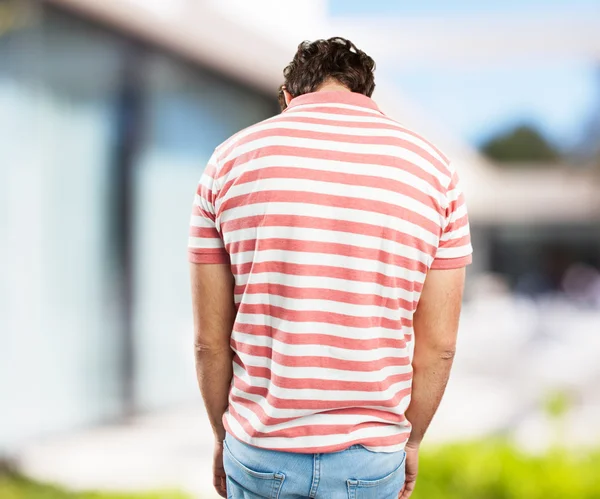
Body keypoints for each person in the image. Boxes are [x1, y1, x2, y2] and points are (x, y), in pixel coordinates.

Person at [189, 37, 472, 499]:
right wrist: (412, 438)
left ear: (287, 96)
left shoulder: (227, 162)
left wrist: (223, 435)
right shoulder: (436, 172)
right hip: (372, 458)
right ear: (367, 96)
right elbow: (439, 346)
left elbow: (208, 341)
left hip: (260, 450)